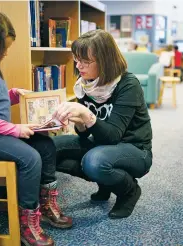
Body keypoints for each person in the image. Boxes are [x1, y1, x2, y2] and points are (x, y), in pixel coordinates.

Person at [0, 12, 71, 246]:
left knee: (45, 145)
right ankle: (27, 224)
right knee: (30, 158)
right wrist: (14, 129)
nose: (4, 53)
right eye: (1, 48)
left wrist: (14, 94)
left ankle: (46, 205)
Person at [52, 29, 153, 219]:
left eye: (86, 61)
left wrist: (87, 115)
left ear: (105, 60)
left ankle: (129, 191)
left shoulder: (128, 85)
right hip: (103, 144)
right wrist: (79, 122)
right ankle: (106, 183)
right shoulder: (86, 83)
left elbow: (113, 135)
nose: (79, 66)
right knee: (50, 148)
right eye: (76, 60)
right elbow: (84, 133)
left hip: (135, 149)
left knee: (94, 161)